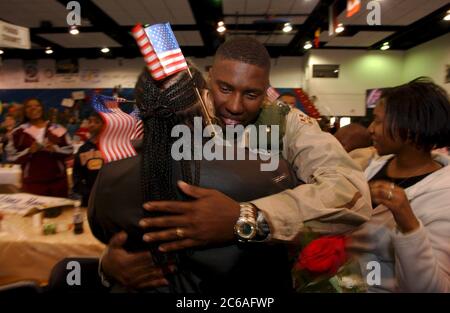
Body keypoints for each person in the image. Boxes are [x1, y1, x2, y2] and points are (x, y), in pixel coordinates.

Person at [99, 37, 372, 291]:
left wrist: (249, 217)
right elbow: (132, 199)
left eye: (251, 94)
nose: (235, 106)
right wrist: (108, 265)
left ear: (266, 91)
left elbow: (351, 193)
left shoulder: (286, 124)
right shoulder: (177, 114)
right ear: (209, 79)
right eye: (225, 88)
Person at [89, 63, 297, 293]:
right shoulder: (269, 171)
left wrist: (106, 265)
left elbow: (106, 235)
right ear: (207, 100)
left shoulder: (109, 176)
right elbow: (295, 228)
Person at [347, 77, 450, 292]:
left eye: (378, 121)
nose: (371, 130)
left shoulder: (444, 197)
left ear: (410, 128)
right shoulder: (373, 166)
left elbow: (430, 288)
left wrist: (408, 224)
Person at [6, 98, 73, 197]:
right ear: (25, 111)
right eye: (29, 106)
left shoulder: (56, 128)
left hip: (57, 182)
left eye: (37, 105)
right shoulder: (18, 132)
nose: (33, 108)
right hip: (32, 183)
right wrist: (29, 151)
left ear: (42, 108)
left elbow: (70, 150)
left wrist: (55, 149)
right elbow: (11, 157)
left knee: (61, 212)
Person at [73, 111, 104, 206]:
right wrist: (87, 193)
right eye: (90, 121)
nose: (92, 124)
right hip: (89, 198)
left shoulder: (112, 147)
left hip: (110, 196)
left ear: (105, 125)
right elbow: (77, 175)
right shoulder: (83, 149)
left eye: (96, 122)